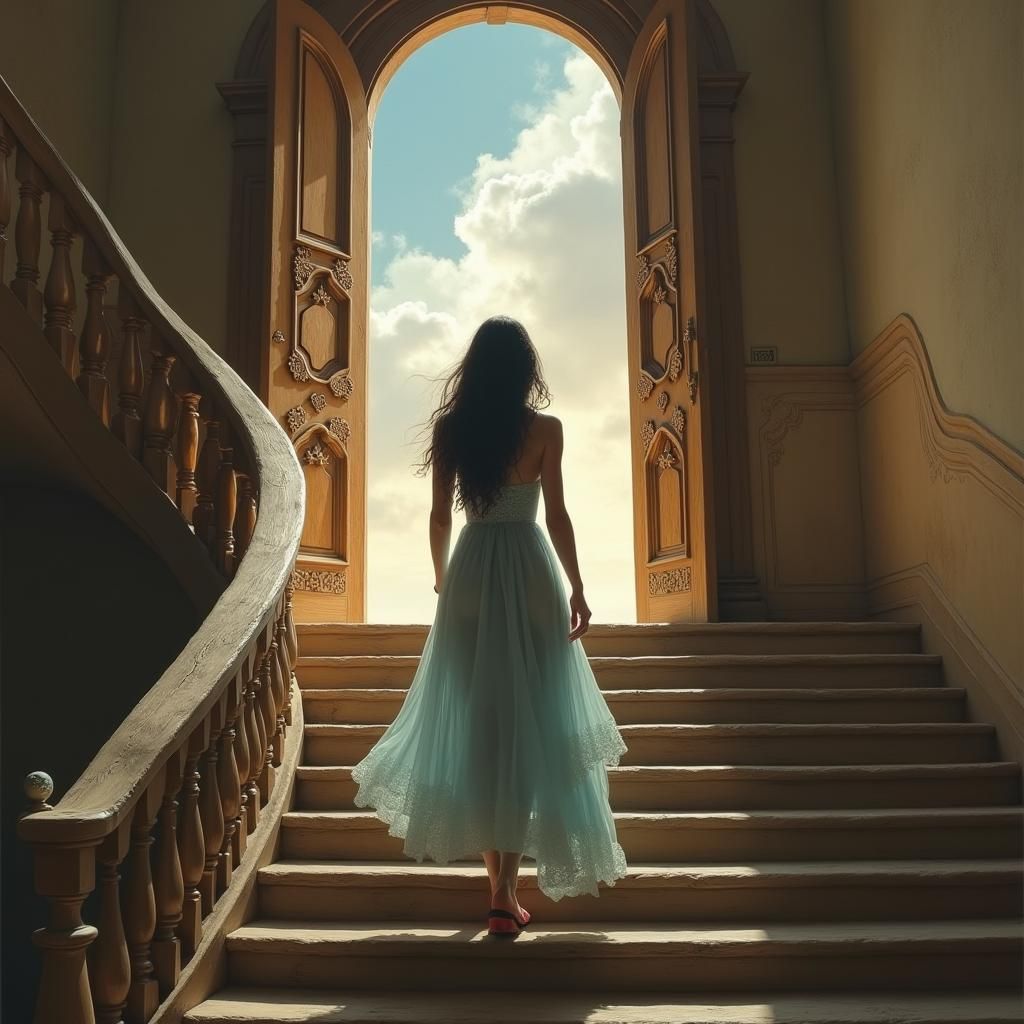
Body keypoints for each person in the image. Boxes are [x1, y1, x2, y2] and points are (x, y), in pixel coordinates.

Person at [351, 315, 627, 938]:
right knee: (531, 723)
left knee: (483, 727)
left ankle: (497, 893)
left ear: (473, 369)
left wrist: (446, 582)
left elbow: (437, 518)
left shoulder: (455, 430)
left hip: (474, 569)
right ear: (524, 368)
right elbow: (556, 515)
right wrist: (578, 586)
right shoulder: (546, 430)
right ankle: (508, 891)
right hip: (530, 573)